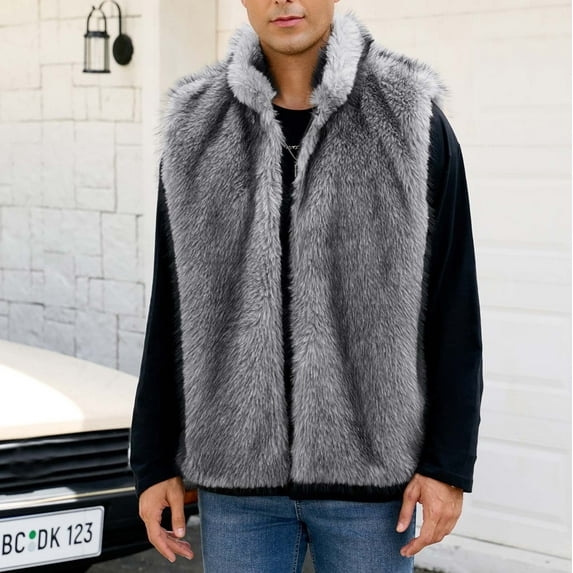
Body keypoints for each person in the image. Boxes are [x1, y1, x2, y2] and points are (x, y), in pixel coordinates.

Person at [129, 1, 484, 571]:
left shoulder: (409, 119)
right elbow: (170, 304)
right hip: (236, 488)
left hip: (372, 488)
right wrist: (152, 463)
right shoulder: (195, 126)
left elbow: (454, 303)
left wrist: (447, 466)